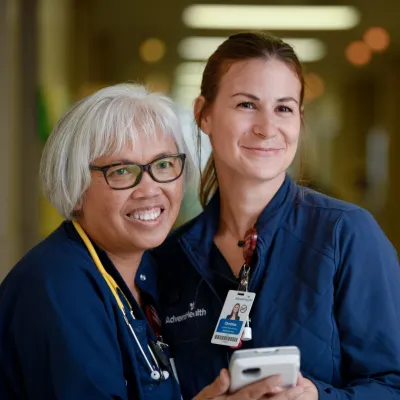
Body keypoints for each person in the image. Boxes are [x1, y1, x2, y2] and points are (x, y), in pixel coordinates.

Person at [153, 32, 400, 400]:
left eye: (283, 108)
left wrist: (318, 396)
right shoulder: (167, 258)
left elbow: (392, 384)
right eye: (246, 105)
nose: (267, 128)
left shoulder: (346, 235)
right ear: (203, 114)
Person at [0, 83, 286, 400]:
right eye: (122, 171)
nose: (149, 189)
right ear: (76, 184)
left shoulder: (150, 270)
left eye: (163, 165)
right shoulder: (57, 287)